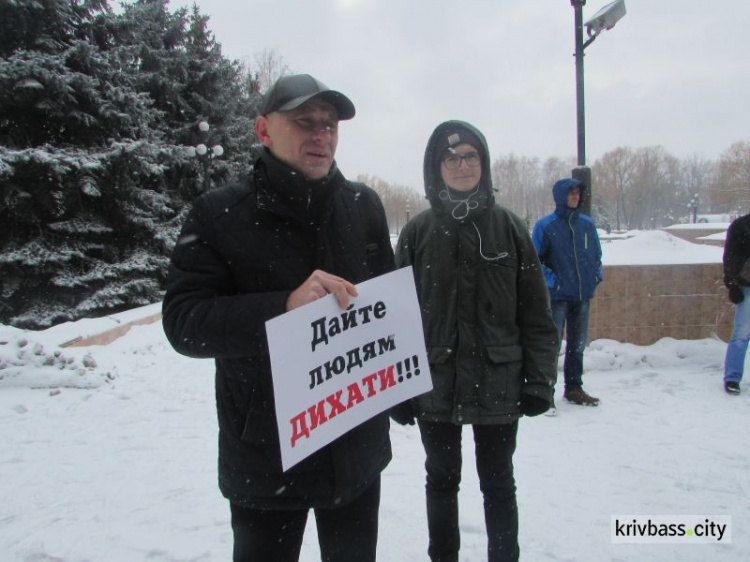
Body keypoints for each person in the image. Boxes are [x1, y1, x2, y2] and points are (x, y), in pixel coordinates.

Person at [162, 74, 395, 562]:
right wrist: (283, 307)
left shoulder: (363, 206)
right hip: (266, 457)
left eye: (329, 125)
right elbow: (184, 322)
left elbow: (384, 312)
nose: (321, 135)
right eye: (305, 123)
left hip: (355, 447)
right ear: (264, 131)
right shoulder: (218, 214)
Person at [391, 120, 558, 562]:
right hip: (435, 382)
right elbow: (396, 319)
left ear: (483, 163)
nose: (462, 165)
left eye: (471, 156)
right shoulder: (417, 234)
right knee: (441, 479)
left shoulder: (509, 229)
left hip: (499, 381)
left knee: (498, 481)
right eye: (452, 157)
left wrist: (540, 382)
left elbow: (537, 316)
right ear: (436, 166)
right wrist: (398, 389)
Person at [531, 178, 603, 408]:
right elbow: (535, 261)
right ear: (561, 196)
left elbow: (596, 255)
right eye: (570, 193)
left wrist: (594, 276)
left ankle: (574, 388)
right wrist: (554, 283)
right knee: (552, 345)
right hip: (558, 297)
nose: (575, 197)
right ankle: (546, 392)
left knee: (577, 346)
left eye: (577, 193)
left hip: (582, 296)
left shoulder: (587, 225)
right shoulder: (546, 226)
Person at [722, 213, 750, 395]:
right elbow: (730, 256)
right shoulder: (742, 226)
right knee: (741, 334)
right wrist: (732, 283)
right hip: (747, 287)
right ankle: (732, 377)